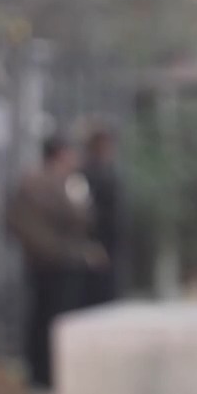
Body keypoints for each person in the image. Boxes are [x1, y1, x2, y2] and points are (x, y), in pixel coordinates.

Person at [5, 135, 107, 389]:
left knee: (56, 319)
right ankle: (43, 374)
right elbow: (25, 224)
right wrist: (58, 250)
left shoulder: (70, 183)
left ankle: (51, 374)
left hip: (62, 262)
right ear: (60, 154)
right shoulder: (38, 184)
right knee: (47, 319)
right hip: (50, 262)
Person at [81, 126, 122, 309]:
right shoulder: (87, 175)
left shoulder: (110, 172)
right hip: (95, 244)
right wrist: (92, 243)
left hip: (111, 244)